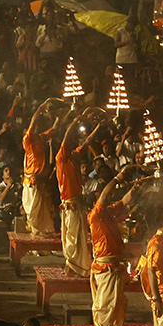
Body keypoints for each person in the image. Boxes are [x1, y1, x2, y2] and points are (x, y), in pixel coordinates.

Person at [87, 165, 146, 326]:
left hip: (115, 265)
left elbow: (125, 201)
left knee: (117, 302)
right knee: (107, 304)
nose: (106, 200)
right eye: (100, 199)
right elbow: (105, 195)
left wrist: (135, 188)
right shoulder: (95, 215)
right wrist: (119, 177)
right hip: (105, 267)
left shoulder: (108, 212)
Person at [55, 110, 99, 276]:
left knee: (78, 237)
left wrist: (98, 127)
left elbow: (87, 142)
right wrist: (75, 121)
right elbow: (66, 137)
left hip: (76, 202)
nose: (73, 142)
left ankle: (76, 267)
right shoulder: (61, 157)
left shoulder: (74, 155)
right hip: (70, 203)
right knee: (71, 237)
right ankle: (72, 266)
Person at [21, 104, 57, 236]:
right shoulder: (28, 140)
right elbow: (33, 121)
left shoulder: (40, 138)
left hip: (40, 180)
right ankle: (35, 231)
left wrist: (59, 117)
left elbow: (54, 130)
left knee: (42, 210)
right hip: (31, 180)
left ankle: (44, 233)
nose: (37, 127)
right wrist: (40, 108)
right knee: (31, 210)